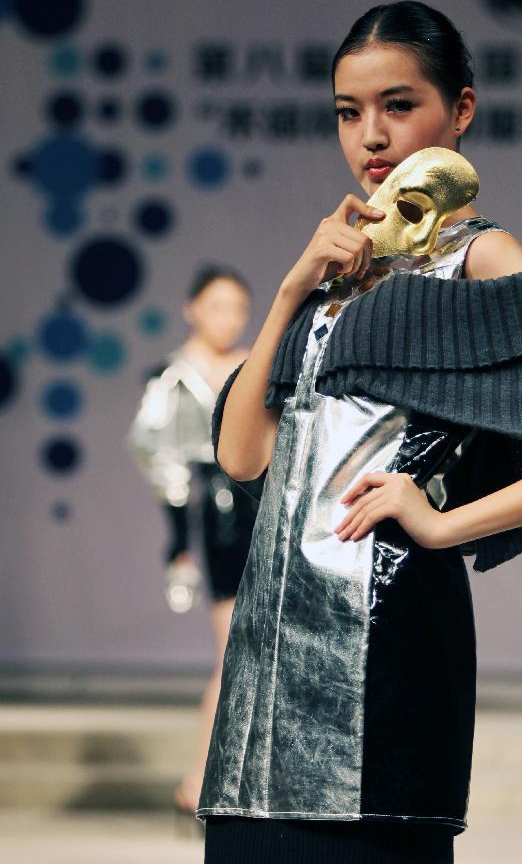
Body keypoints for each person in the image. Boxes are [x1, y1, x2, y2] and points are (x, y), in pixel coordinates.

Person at [197, 1, 522, 864]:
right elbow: (242, 457)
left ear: (460, 111)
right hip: (267, 664)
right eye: (348, 113)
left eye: (398, 106)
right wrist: (292, 289)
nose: (371, 136)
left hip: (389, 647)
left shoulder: (482, 256)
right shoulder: (335, 265)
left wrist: (439, 523)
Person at [127, 264, 264, 816]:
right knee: (236, 648)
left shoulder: (257, 365)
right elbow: (155, 457)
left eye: (237, 307)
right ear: (191, 309)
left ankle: (211, 781)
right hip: (215, 518)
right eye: (216, 306)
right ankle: (203, 780)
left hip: (263, 506)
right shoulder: (171, 378)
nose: (227, 318)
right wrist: (177, 543)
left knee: (248, 648)